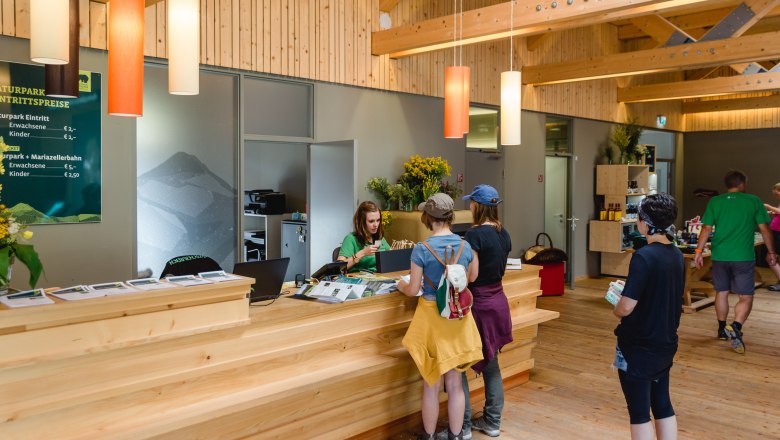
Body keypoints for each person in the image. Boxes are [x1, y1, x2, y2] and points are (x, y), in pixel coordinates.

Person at [397, 193, 483, 440]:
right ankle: (456, 436)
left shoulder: (422, 249)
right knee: (455, 384)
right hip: (458, 318)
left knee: (431, 382)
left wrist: (400, 286)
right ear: (450, 216)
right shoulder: (466, 245)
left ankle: (429, 435)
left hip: (431, 320)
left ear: (428, 217)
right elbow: (473, 277)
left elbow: (413, 290)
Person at [436, 185, 512, 440]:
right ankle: (492, 422)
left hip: (479, 305)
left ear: (478, 206)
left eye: (471, 204)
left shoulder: (474, 235)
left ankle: (463, 425)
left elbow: (472, 275)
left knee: (460, 363)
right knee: (492, 365)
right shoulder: (504, 233)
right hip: (499, 301)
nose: (469, 207)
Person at [613, 193, 684, 440]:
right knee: (662, 403)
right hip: (665, 341)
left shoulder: (643, 257)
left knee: (639, 412)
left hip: (638, 345)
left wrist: (616, 304)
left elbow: (625, 308)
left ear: (645, 222)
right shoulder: (675, 254)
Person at [694, 170, 776, 353]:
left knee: (721, 292)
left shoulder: (715, 201)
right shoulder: (753, 201)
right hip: (743, 257)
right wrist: (771, 252)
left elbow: (706, 228)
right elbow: (765, 229)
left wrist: (698, 251)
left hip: (720, 256)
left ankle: (722, 329)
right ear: (742, 183)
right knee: (745, 296)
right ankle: (736, 326)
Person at [337, 201, 391, 272]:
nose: (376, 225)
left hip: (379, 277)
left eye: (378, 220)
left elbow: (390, 257)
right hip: (359, 279)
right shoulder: (351, 239)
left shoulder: (379, 238)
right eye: (371, 221)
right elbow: (339, 268)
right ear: (361, 222)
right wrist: (363, 253)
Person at [762, 182, 780, 291]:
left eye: (777, 194)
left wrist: (768, 206)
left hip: (778, 233)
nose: (776, 196)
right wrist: (772, 212)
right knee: (772, 258)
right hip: (776, 232)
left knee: (770, 258)